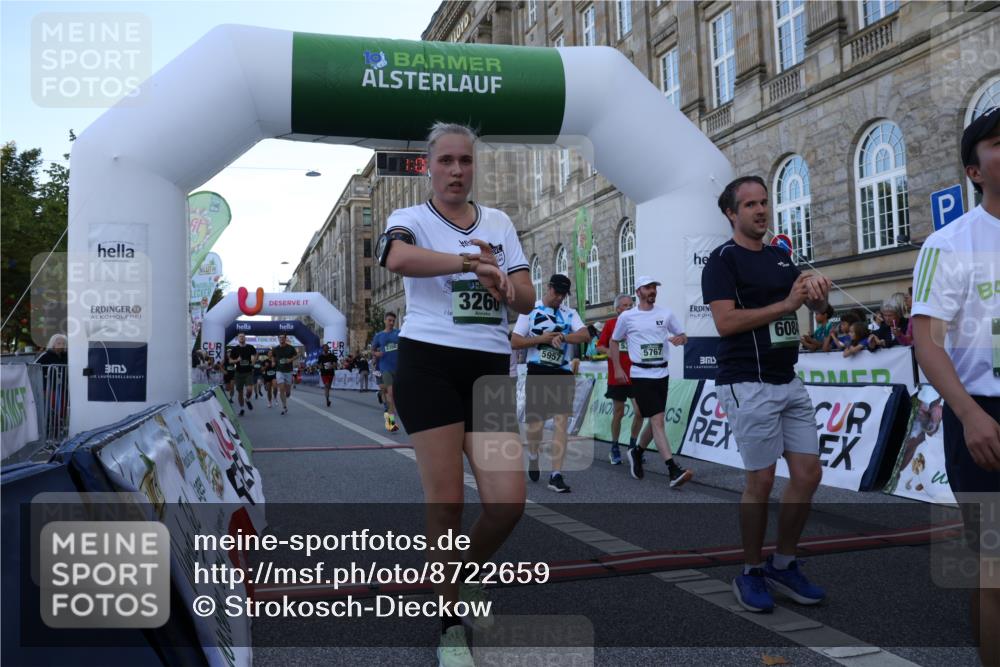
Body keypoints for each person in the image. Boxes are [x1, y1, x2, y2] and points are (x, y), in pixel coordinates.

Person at [381, 122, 535, 667]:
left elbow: (525, 298)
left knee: (508, 503)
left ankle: (459, 575)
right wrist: (471, 263)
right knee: (447, 501)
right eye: (445, 160)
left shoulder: (498, 222)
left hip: (488, 369)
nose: (456, 170)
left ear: (474, 166)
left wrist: (503, 284)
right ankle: (448, 622)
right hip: (429, 364)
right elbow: (397, 258)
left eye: (465, 161)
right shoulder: (411, 218)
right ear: (430, 166)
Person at [702, 175, 832, 614]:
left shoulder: (780, 256)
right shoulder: (722, 261)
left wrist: (817, 297)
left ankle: (784, 563)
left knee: (808, 474)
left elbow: (813, 308)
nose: (761, 210)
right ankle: (751, 570)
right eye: (750, 205)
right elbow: (725, 323)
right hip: (746, 381)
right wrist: (786, 305)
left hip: (786, 378)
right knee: (760, 480)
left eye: (763, 202)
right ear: (731, 213)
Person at [912, 106, 1000, 667]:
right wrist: (969, 415)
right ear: (974, 171)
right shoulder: (947, 244)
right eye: (999, 143)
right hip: (984, 419)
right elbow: (927, 342)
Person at [610, 277, 693, 488]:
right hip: (641, 374)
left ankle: (636, 452)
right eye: (648, 287)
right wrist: (618, 368)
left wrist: (680, 339)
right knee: (657, 420)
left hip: (662, 373)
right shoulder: (627, 317)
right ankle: (672, 469)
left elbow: (683, 336)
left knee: (657, 418)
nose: (652, 291)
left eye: (654, 287)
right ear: (638, 291)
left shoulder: (665, 314)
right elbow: (614, 341)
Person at [511, 274, 590, 493]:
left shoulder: (569, 313)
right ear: (548, 288)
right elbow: (515, 341)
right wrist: (541, 339)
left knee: (561, 422)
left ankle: (556, 475)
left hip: (562, 372)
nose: (559, 298)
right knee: (535, 426)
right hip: (538, 370)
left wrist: (564, 337)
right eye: (557, 293)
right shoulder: (530, 310)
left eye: (563, 294)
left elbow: (584, 335)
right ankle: (533, 455)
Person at [596, 294, 643, 465]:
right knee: (619, 412)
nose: (629, 307)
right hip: (617, 376)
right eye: (625, 305)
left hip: (636, 375)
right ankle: (614, 446)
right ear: (617, 309)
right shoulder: (611, 324)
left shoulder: (638, 324)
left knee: (640, 412)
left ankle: (633, 447)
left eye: (631, 304)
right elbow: (599, 346)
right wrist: (610, 352)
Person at [371, 313, 402, 432]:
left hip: (398, 368)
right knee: (391, 394)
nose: (391, 323)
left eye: (393, 321)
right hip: (385, 368)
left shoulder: (398, 333)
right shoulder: (379, 336)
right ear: (385, 321)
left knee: (395, 395)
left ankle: (390, 420)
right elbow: (372, 350)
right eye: (389, 320)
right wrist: (376, 353)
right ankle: (391, 423)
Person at [229, 333, 256, 416]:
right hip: (238, 373)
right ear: (238, 338)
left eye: (243, 336)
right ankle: (242, 409)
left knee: (249, 389)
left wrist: (253, 362)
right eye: (240, 336)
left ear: (245, 338)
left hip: (248, 372)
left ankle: (247, 399)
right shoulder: (235, 349)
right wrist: (237, 360)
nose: (241, 338)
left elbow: (255, 355)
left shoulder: (250, 347)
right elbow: (230, 361)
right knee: (240, 392)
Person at [272, 334, 297, 415]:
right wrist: (273, 362)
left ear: (285, 339)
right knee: (281, 388)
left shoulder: (291, 348)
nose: (281, 339)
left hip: (288, 371)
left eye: (283, 337)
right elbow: (273, 357)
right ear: (278, 339)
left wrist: (290, 359)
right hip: (279, 370)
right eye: (280, 337)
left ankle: (288, 392)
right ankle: (284, 406)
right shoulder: (275, 349)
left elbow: (296, 355)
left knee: (288, 392)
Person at [317, 343, 338, 407]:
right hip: (324, 373)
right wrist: (320, 367)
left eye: (327, 348)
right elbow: (319, 364)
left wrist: (331, 366)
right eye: (324, 348)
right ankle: (327, 400)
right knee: (326, 385)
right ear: (323, 349)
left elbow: (335, 364)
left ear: (328, 349)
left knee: (328, 387)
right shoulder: (320, 356)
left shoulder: (332, 356)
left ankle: (328, 398)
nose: (326, 349)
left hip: (330, 373)